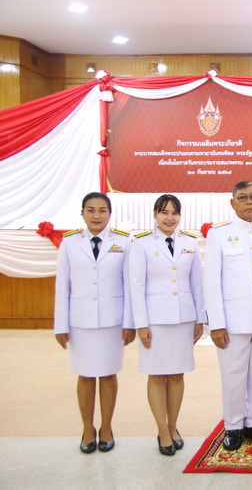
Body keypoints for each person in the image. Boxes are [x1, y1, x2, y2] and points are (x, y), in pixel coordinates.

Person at [54, 192, 135, 454]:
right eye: (91, 210)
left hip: (112, 321)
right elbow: (62, 285)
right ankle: (88, 428)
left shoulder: (123, 241)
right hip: (81, 321)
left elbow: (129, 285)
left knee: (109, 374)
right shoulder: (69, 242)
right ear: (82, 213)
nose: (96, 215)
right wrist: (60, 325)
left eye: (102, 210)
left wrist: (130, 322)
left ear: (110, 214)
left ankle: (107, 427)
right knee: (86, 374)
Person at [204, 181, 252, 451]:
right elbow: (211, 281)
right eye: (243, 197)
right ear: (233, 203)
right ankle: (233, 425)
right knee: (233, 375)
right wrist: (216, 323)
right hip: (232, 321)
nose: (249, 202)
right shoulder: (219, 234)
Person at [129, 194, 206, 456]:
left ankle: (173, 427)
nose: (169, 218)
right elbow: (136, 286)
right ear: (155, 214)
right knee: (156, 375)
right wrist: (141, 324)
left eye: (174, 213)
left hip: (183, 319)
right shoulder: (141, 244)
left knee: (176, 375)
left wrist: (199, 318)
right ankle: (162, 431)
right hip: (155, 322)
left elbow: (197, 283)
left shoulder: (190, 242)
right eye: (164, 212)